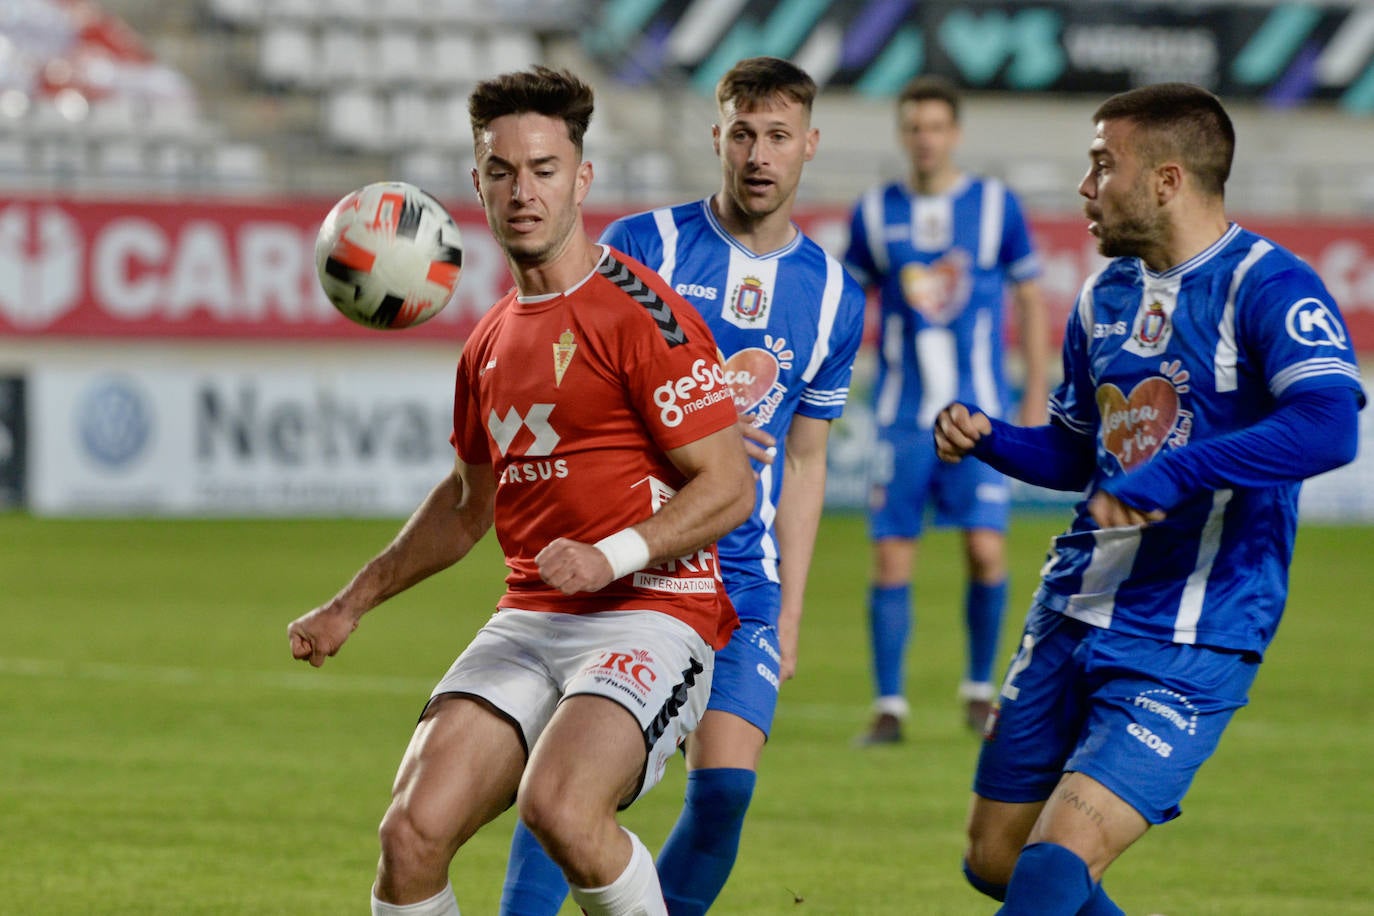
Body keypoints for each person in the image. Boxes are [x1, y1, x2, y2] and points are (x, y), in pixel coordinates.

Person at [286, 66, 756, 916]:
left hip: (653, 611)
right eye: (502, 172)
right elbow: (469, 506)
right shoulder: (489, 341)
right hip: (532, 617)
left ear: (581, 179)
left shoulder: (639, 314)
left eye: (543, 169)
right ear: (478, 184)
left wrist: (611, 554)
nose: (523, 191)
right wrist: (350, 604)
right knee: (410, 835)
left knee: (563, 809)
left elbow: (730, 485)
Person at [939, 82, 1364, 914]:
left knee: (1052, 869)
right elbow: (1075, 452)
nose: (1085, 187)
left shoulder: (1268, 284)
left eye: (1103, 164)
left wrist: (1179, 471)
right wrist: (989, 435)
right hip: (1072, 608)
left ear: (1166, 180)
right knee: (995, 861)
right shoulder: (1105, 298)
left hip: (1194, 630)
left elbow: (1328, 427)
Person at [499, 57, 866, 916]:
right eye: (743, 133)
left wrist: (792, 611)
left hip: (744, 576)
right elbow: (570, 382)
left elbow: (807, 461)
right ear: (718, 138)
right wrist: (682, 425)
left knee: (726, 794)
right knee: (576, 784)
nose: (759, 155)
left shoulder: (838, 295)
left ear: (809, 145)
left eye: (779, 136)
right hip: (636, 558)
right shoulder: (640, 246)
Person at [844, 75, 1050, 742]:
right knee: (890, 560)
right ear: (902, 134)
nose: (924, 138)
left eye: (935, 127)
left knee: (988, 553)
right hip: (903, 419)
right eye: (913, 127)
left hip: (978, 418)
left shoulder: (994, 207)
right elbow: (847, 306)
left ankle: (978, 690)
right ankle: (888, 706)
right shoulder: (875, 213)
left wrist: (1034, 389)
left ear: (954, 133)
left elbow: (1028, 298)